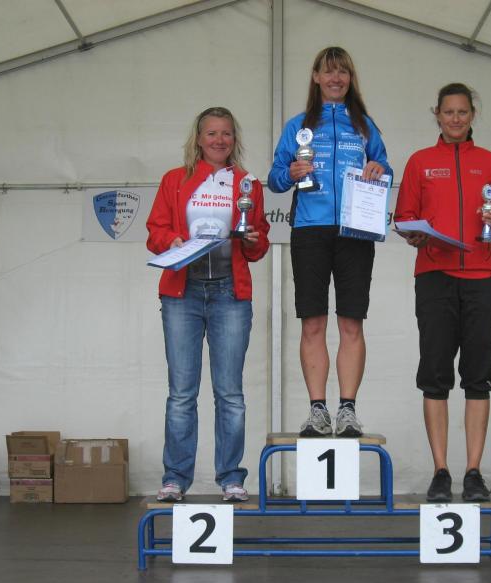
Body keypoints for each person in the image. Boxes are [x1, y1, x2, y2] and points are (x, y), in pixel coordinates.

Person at [394, 82, 491, 503]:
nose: (456, 119)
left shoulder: (490, 162)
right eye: (449, 112)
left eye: (463, 112)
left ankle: (474, 472)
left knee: (479, 376)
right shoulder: (420, 162)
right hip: (435, 276)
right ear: (438, 115)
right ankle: (441, 471)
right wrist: (414, 233)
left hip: (482, 276)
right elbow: (404, 216)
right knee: (435, 374)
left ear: (472, 115)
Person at [146, 107, 270, 503]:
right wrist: (171, 241)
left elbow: (259, 243)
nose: (220, 140)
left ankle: (231, 478)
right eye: (212, 133)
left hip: (230, 293)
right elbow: (155, 230)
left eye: (226, 133)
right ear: (198, 139)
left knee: (230, 394)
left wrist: (254, 240)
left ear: (235, 139)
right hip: (182, 292)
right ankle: (175, 479)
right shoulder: (175, 179)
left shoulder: (247, 184)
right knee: (182, 393)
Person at [268, 47, 392, 438]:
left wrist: (379, 167)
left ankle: (348, 410)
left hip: (355, 230)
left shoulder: (365, 125)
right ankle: (318, 411)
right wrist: (290, 172)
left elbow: (385, 167)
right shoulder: (298, 126)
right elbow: (274, 179)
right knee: (313, 322)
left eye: (343, 72)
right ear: (316, 77)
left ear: (350, 79)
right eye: (329, 71)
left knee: (352, 322)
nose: (336, 78)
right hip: (310, 230)